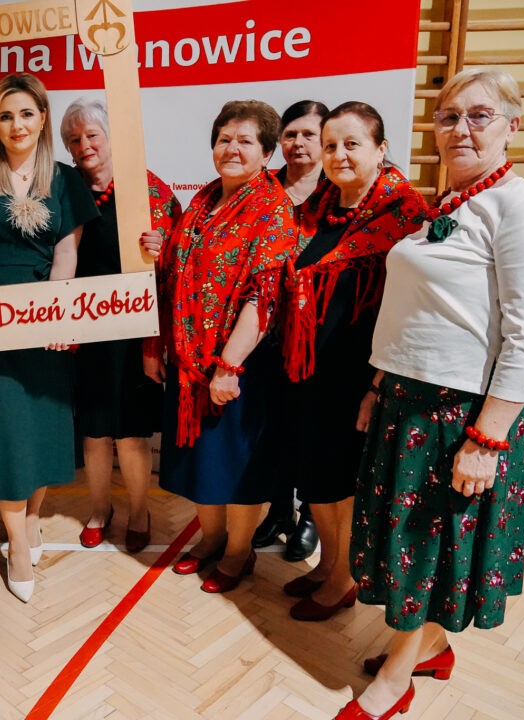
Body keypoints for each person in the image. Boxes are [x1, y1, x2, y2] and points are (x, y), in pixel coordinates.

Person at [338, 69, 524, 719]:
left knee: (426, 548)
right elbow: (417, 311)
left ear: (511, 126)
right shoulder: (449, 203)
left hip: (462, 415)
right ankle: (432, 646)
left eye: (479, 115)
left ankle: (397, 677)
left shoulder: (522, 211)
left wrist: (487, 439)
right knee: (410, 543)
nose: (460, 128)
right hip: (407, 401)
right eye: (448, 116)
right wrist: (379, 383)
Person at [0, 73, 98, 601]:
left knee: (42, 430)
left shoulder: (66, 180)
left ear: (42, 118)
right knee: (5, 430)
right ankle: (15, 543)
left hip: (46, 318)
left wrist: (57, 313)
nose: (17, 124)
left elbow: (67, 251)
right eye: (6, 115)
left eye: (27, 114)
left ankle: (31, 518)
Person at [274, 102, 427, 622]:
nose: (338, 154)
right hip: (311, 369)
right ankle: (327, 565)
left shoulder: (405, 215)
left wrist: (378, 382)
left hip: (358, 375)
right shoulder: (321, 205)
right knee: (316, 476)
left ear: (381, 149)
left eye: (352, 144)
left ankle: (344, 578)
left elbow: (415, 309)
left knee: (341, 480)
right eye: (331, 145)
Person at [144, 100, 299, 594]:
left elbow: (264, 296)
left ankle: (238, 551)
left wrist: (229, 366)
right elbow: (179, 270)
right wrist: (160, 248)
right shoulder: (204, 199)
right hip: (189, 362)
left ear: (267, 152)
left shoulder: (272, 207)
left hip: (238, 366)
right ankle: (210, 540)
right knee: (200, 463)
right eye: (224, 139)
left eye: (245, 141)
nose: (232, 148)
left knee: (236, 467)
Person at [60, 98, 181, 553]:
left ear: (111, 137)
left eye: (92, 135)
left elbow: (182, 257)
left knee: (131, 435)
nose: (84, 145)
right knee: (94, 432)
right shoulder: (63, 188)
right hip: (85, 330)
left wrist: (161, 246)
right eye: (74, 139)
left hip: (135, 333)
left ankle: (139, 511)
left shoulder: (148, 189)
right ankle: (99, 511)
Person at [252, 99, 329, 561]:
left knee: (312, 431)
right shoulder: (262, 188)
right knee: (272, 428)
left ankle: (311, 517)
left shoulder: (340, 192)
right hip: (264, 333)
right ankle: (279, 509)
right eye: (290, 134)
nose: (298, 143)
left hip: (320, 337)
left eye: (309, 135)